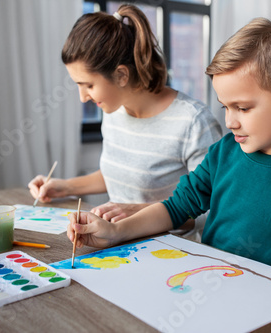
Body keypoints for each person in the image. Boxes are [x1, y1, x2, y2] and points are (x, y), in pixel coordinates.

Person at [66, 17, 271, 325]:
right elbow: (176, 207)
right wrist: (115, 231)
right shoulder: (225, 151)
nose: (231, 121)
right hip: (209, 299)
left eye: (243, 108)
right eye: (225, 107)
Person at [28, 4, 222, 227]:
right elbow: (120, 174)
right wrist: (64, 187)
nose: (83, 97)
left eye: (88, 85)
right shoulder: (113, 110)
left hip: (172, 253)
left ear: (121, 75)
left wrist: (136, 213)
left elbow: (212, 212)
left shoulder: (194, 123)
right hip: (118, 245)